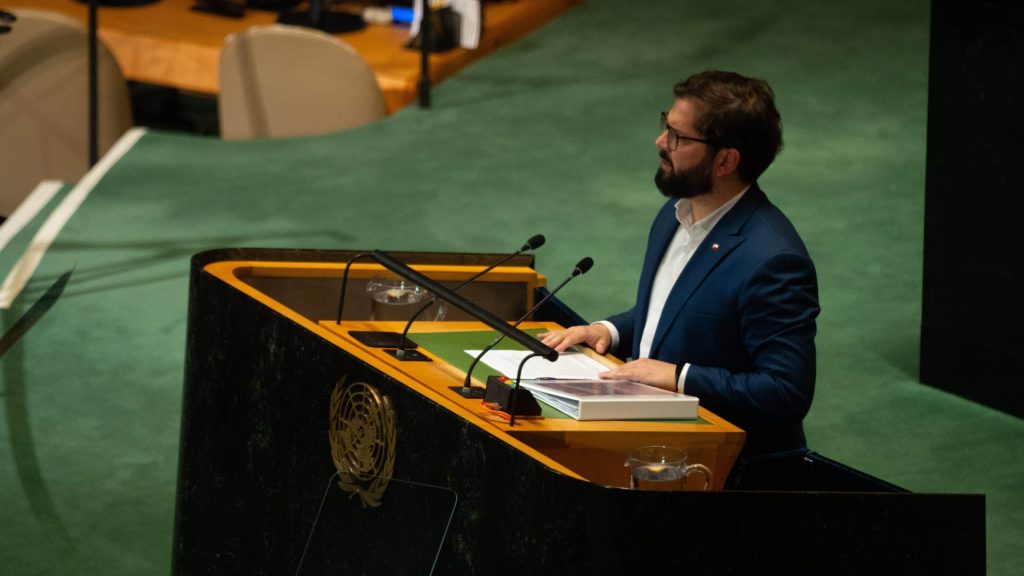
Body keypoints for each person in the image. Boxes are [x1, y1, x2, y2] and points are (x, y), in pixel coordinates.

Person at [539, 70, 819, 459]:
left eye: (677, 136)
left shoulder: (772, 260)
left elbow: (785, 392)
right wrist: (609, 331)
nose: (660, 142)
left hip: (726, 471)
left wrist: (678, 376)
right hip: (655, 444)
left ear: (725, 161)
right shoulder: (675, 214)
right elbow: (680, 311)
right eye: (665, 126)